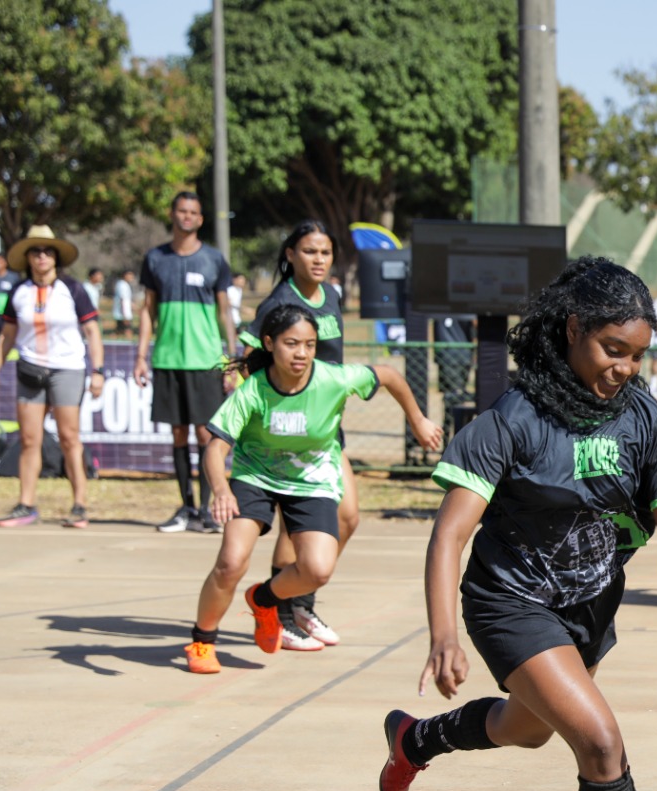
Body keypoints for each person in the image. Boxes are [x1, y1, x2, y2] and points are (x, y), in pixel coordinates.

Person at [374, 258, 657, 791]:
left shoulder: (644, 420)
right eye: (612, 349)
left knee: (524, 730)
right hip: (509, 603)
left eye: (638, 355)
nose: (625, 368)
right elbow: (450, 535)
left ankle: (415, 742)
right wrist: (443, 634)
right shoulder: (514, 421)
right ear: (573, 329)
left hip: (585, 610)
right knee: (600, 742)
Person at [185, 304, 441, 674]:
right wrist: (221, 490)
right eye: (291, 344)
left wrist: (417, 420)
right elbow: (215, 448)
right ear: (269, 343)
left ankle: (263, 599)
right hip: (256, 477)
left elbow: (387, 375)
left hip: (312, 480)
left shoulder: (333, 379)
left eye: (309, 344)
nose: (302, 353)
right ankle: (202, 640)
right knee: (231, 562)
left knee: (317, 570)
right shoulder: (253, 390)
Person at [245, 220, 355, 651]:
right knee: (295, 528)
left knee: (347, 518)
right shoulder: (279, 302)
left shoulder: (332, 296)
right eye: (310, 251)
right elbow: (250, 361)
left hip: (325, 426)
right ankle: (280, 613)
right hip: (291, 430)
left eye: (325, 252)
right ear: (290, 255)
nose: (319, 260)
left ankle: (299, 601)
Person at [0, 225, 104, 528]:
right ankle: (26, 504)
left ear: (56, 257)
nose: (42, 256)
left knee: (69, 438)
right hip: (30, 370)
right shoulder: (19, 292)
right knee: (29, 439)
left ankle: (79, 505)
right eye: (35, 251)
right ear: (27, 257)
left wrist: (97, 371)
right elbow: (7, 336)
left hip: (67, 369)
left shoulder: (72, 289)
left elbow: (92, 331)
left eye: (48, 251)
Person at [134, 191, 239, 534]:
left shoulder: (213, 259)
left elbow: (225, 313)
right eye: (182, 210)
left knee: (206, 434)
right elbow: (148, 311)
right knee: (178, 433)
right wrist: (141, 355)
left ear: (200, 219)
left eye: (193, 212)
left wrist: (231, 361)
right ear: (173, 214)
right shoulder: (155, 259)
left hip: (205, 361)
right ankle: (186, 507)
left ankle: (208, 510)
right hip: (168, 359)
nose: (187, 216)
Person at [112, 269, 136, 339]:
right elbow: (122, 299)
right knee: (126, 328)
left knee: (120, 329)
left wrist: (132, 305)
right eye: (130, 275)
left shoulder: (125, 284)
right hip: (123, 311)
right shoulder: (122, 285)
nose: (132, 277)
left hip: (124, 311)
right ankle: (129, 340)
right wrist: (124, 313)